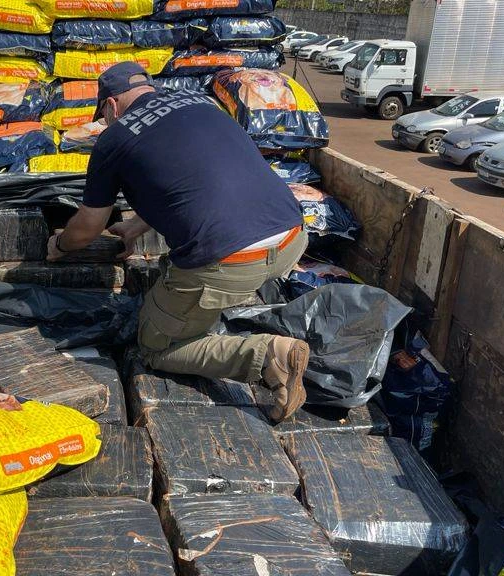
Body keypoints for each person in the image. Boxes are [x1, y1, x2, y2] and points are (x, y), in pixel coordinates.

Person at [47, 61, 311, 422]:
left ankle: (269, 356)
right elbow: (197, 177)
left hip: (232, 261)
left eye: (104, 117)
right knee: (188, 269)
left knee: (157, 347)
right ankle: (205, 296)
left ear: (110, 105)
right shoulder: (204, 103)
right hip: (293, 238)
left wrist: (61, 246)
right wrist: (137, 225)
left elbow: (88, 227)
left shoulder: (115, 138)